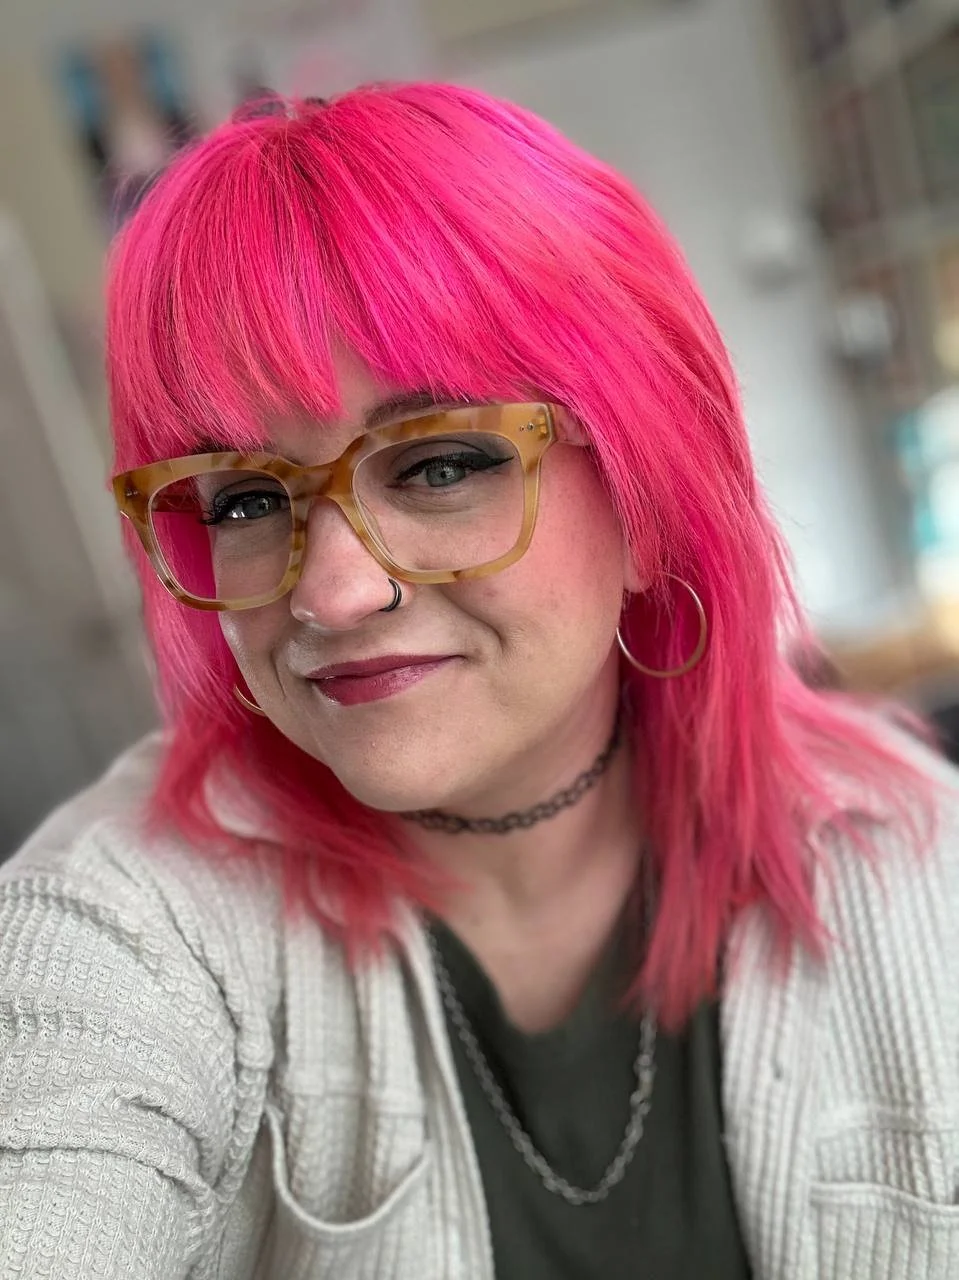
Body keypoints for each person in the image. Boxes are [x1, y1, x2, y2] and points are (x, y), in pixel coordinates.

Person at [1, 83, 957, 1280]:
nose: (332, 591)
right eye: (245, 499)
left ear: (646, 494)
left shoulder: (914, 868)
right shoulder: (128, 926)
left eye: (442, 463)